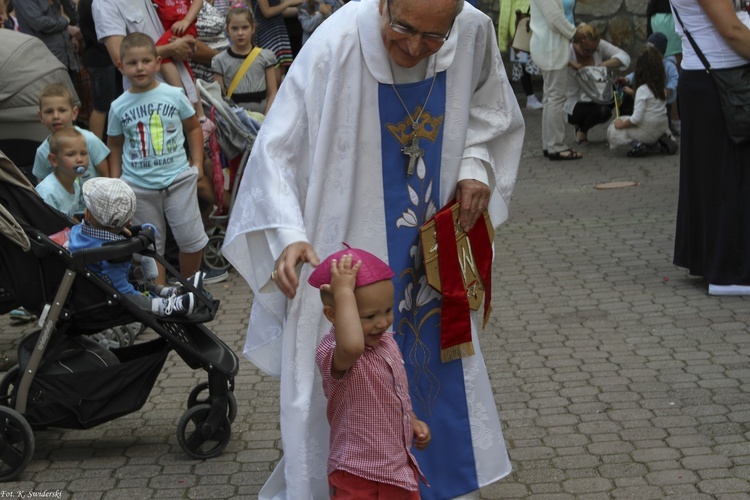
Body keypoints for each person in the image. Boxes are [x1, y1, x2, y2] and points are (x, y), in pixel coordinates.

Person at [222, 0, 524, 498]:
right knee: (349, 362)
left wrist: (474, 165)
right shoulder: (335, 42)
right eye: (401, 28)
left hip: (432, 237)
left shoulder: (472, 29)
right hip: (346, 241)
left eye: (432, 38)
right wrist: (289, 235)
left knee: (434, 357)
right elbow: (275, 148)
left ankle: (436, 482)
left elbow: (492, 113)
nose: (412, 47)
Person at [311, 248, 430, 499]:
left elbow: (394, 393)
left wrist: (412, 420)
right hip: (357, 474)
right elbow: (352, 345)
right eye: (369, 316)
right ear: (334, 314)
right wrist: (343, 291)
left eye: (387, 310)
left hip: (397, 470)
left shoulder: (387, 343)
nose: (382, 322)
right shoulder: (334, 351)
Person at [107, 33, 209, 285]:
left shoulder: (174, 95)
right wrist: (116, 182)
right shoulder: (118, 106)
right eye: (132, 63)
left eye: (145, 61)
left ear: (158, 61)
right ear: (121, 66)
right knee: (150, 249)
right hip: (139, 187)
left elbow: (194, 128)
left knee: (192, 239)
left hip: (178, 180)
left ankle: (188, 288)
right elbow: (115, 144)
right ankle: (160, 298)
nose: (140, 68)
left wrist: (197, 164)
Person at [671, 0, 750, 296]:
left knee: (719, 178)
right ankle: (731, 274)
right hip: (721, 81)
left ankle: (715, 264)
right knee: (731, 178)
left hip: (713, 78)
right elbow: (731, 30)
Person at [68, 177, 198, 317]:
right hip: (111, 296)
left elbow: (102, 232)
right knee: (132, 294)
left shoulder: (78, 231)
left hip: (90, 286)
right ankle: (162, 305)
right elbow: (120, 288)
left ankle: (169, 292)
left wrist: (118, 231)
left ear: (86, 214)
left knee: (137, 280)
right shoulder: (112, 254)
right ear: (129, 221)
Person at [33, 84, 110, 215]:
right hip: (63, 213)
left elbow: (106, 175)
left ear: (74, 113)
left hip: (94, 210)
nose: (56, 116)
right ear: (40, 116)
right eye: (49, 111)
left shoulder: (88, 140)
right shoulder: (42, 152)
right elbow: (42, 186)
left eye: (62, 110)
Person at [530, 0, 581, 160]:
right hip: (551, 49)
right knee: (556, 98)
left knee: (550, 97)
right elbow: (554, 18)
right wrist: (574, 33)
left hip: (549, 48)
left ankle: (549, 144)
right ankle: (556, 146)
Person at [565, 23, 630, 146]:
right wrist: (570, 63)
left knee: (625, 91)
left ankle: (625, 130)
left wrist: (604, 64)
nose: (590, 53)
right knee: (602, 112)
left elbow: (625, 57)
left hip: (597, 95)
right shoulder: (566, 52)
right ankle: (581, 130)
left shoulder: (599, 46)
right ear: (577, 42)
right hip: (574, 103)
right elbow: (551, 60)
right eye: (586, 50)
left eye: (594, 50)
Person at [607, 47, 676, 157]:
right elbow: (650, 99)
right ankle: (658, 142)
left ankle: (640, 144)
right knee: (631, 120)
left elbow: (636, 118)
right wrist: (632, 92)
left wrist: (621, 125)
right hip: (661, 127)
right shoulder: (661, 88)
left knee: (614, 128)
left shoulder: (642, 89)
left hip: (647, 131)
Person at [212, 5, 278, 114]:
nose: (240, 33)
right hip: (234, 120)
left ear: (253, 28)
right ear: (227, 30)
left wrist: (266, 120)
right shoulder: (220, 61)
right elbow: (219, 97)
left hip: (262, 118)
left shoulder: (265, 57)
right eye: (234, 28)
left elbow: (272, 93)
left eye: (245, 27)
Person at [14, 0, 81, 75]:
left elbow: (74, 19)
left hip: (67, 58)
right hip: (46, 64)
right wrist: (64, 20)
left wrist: (66, 3)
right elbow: (39, 23)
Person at [35, 126, 88, 219]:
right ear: (54, 160)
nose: (80, 159)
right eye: (71, 154)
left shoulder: (75, 185)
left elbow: (70, 217)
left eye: (83, 153)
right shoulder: (48, 193)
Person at [250, 0, 305, 83]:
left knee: (282, 75)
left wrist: (304, 11)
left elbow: (280, 10)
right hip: (267, 34)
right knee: (274, 76)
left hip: (278, 32)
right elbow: (267, 12)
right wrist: (289, 3)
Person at [192, 0, 231, 82]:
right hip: (204, 79)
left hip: (223, 74)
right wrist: (227, 61)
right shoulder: (176, 6)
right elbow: (187, 43)